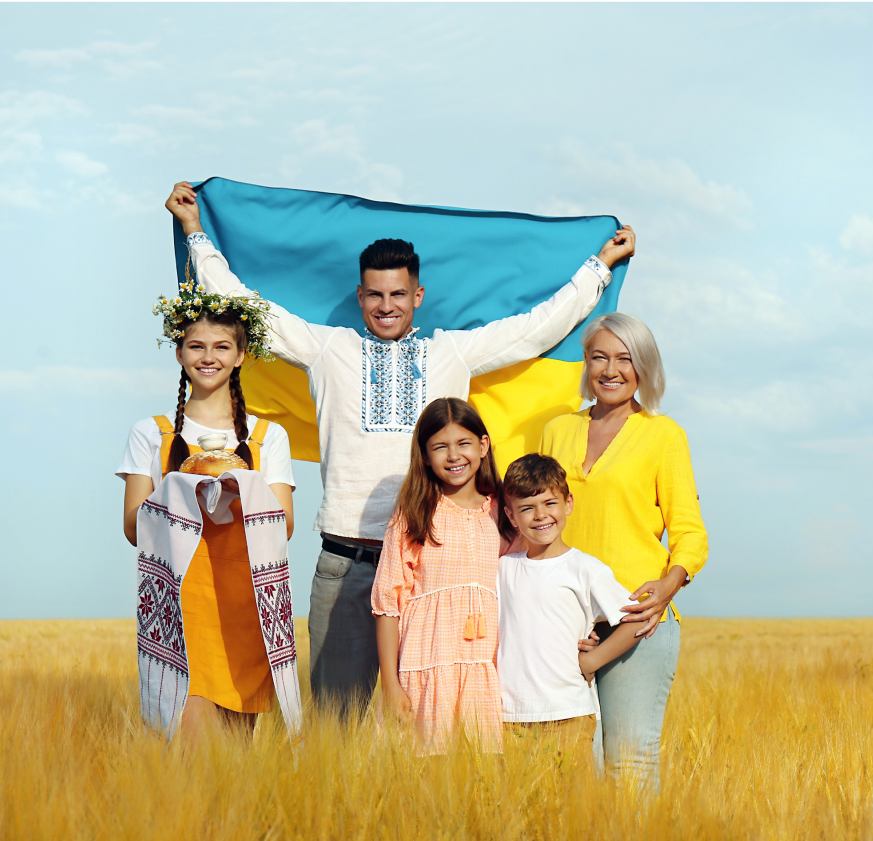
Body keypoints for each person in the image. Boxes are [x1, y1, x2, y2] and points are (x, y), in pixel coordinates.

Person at [165, 181, 635, 718]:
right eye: (374, 295)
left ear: (418, 297)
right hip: (347, 564)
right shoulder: (326, 349)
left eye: (397, 295)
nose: (386, 306)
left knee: (438, 726)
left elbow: (536, 328)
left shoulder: (452, 352)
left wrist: (599, 265)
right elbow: (243, 304)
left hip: (438, 571)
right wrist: (195, 231)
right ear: (361, 296)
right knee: (333, 731)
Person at [117, 284, 297, 742]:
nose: (208, 356)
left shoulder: (266, 437)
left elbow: (285, 525)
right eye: (196, 345)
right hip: (181, 608)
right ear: (178, 352)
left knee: (233, 765)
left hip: (248, 608)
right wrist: (183, 493)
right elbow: (134, 526)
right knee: (187, 754)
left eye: (222, 346)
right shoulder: (151, 433)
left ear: (241, 355)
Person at [538, 312, 707, 789]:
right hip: (566, 620)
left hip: (637, 618)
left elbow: (690, 533)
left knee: (629, 765)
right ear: (586, 365)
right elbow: (538, 515)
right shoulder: (557, 431)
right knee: (567, 768)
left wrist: (669, 586)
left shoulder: (663, 435)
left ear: (643, 368)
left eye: (624, 359)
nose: (610, 370)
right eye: (599, 357)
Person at [371, 398, 514, 753]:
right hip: (427, 660)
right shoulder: (414, 512)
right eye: (440, 447)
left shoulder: (504, 510)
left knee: (485, 777)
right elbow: (388, 604)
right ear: (424, 455)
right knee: (422, 774)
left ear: (483, 446)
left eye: (464, 443)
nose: (454, 456)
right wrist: (391, 684)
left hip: (487, 664)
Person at [497, 453, 646, 771]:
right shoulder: (503, 569)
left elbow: (639, 619)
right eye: (527, 508)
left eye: (550, 503)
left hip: (569, 713)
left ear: (568, 503)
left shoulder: (585, 569)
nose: (540, 516)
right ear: (512, 517)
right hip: (509, 717)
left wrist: (592, 659)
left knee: (571, 811)